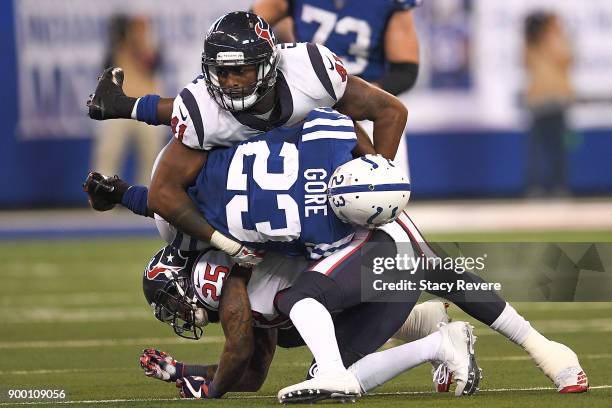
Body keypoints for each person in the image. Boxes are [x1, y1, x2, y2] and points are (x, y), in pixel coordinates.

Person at [85, 107, 587, 400]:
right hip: (344, 240)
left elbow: (242, 357)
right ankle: (435, 330)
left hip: (351, 234)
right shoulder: (211, 182)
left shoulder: (214, 249)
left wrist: (205, 386)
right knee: (413, 275)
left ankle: (534, 349)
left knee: (310, 302)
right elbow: (161, 197)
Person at [86, 11, 407, 266]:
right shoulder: (202, 111)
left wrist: (376, 176)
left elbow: (390, 112)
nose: (229, 83)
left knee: (400, 263)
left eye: (240, 71)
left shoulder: (310, 72)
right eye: (221, 73)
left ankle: (120, 108)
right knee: (218, 208)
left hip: (303, 161)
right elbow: (164, 195)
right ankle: (120, 142)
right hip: (249, 187)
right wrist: (225, 244)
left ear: (267, 65)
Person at [251, 0, 422, 174]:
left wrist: (358, 96)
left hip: (365, 112)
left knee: (386, 189)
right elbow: (248, 30)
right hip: (308, 107)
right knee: (309, 192)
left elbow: (404, 71)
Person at [92, 14, 165, 185]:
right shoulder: (117, 47)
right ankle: (103, 197)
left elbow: (151, 65)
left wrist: (139, 43)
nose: (137, 30)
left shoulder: (152, 47)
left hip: (146, 107)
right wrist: (120, 39)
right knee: (108, 154)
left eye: (142, 27)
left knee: (152, 157)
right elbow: (107, 66)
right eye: (134, 27)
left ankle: (148, 200)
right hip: (117, 108)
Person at [524, 11, 574, 197]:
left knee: (559, 147)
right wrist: (534, 35)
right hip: (538, 99)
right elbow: (526, 62)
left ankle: (559, 187)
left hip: (557, 99)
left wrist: (554, 35)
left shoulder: (558, 41)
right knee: (537, 149)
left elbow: (567, 58)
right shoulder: (533, 42)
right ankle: (535, 187)